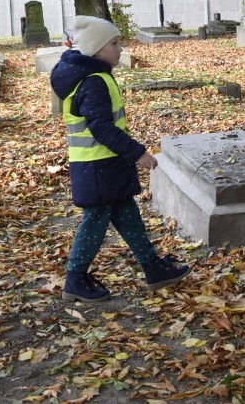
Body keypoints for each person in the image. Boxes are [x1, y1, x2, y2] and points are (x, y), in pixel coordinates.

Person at [50, 15, 190, 302]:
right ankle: (75, 279)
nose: (120, 49)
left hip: (104, 164)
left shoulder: (92, 77)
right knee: (96, 219)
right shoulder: (94, 82)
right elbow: (100, 127)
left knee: (127, 214)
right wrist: (137, 153)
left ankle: (152, 267)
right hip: (97, 165)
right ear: (98, 49)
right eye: (115, 43)